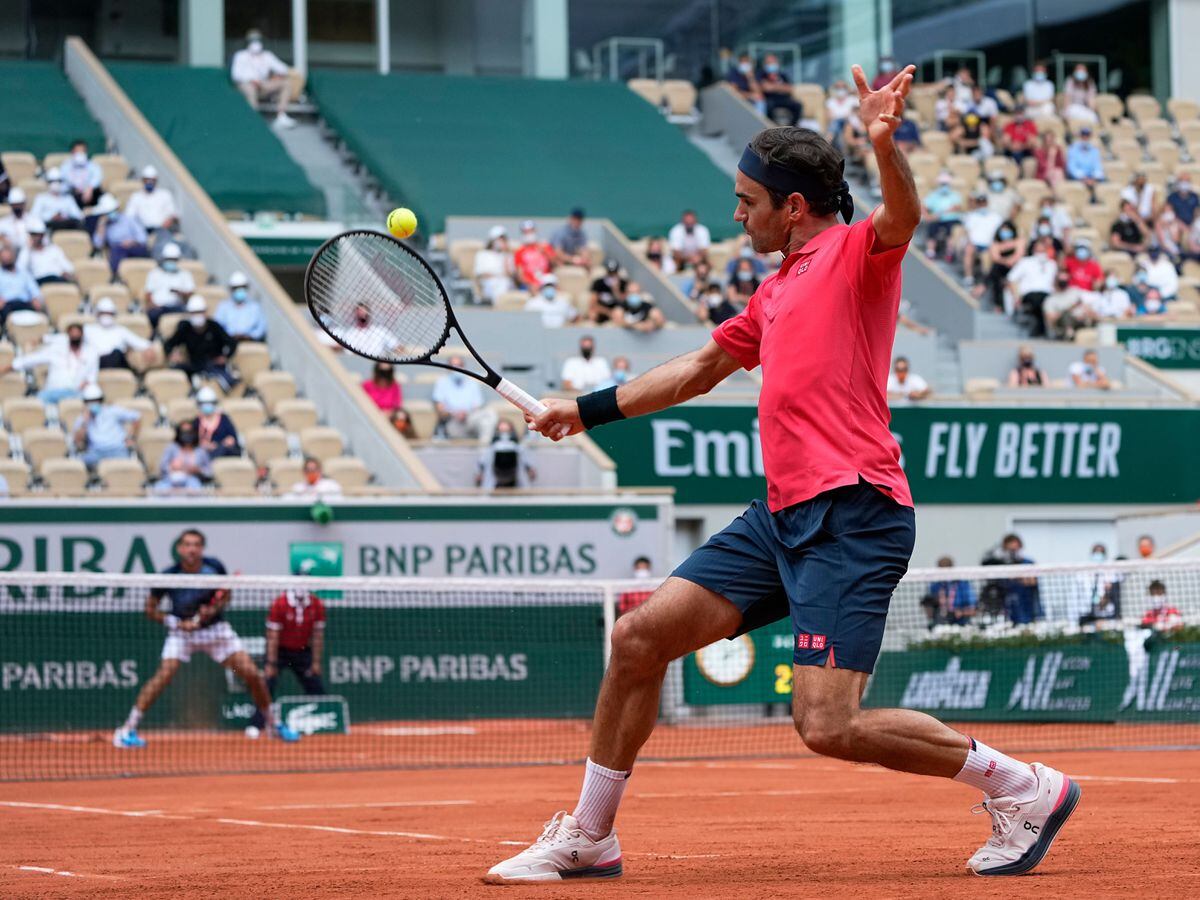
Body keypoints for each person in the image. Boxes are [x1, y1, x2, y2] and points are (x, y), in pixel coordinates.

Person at [490, 69, 1080, 883]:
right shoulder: (773, 292)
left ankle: (1025, 786)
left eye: (747, 200)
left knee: (827, 725)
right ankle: (590, 835)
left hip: (854, 513)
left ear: (791, 207)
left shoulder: (855, 255)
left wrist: (883, 142)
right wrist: (581, 410)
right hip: (780, 516)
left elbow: (902, 214)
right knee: (637, 640)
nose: (738, 213)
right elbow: (697, 368)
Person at [112, 529, 300, 748]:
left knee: (249, 673)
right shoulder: (168, 575)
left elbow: (225, 594)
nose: (192, 549)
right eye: (187, 544)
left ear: (202, 548)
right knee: (163, 676)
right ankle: (128, 729)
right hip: (182, 635)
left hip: (216, 633)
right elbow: (150, 609)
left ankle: (273, 724)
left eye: (196, 545)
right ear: (180, 549)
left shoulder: (214, 567)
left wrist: (213, 609)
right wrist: (176, 622)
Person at [246, 584, 328, 738]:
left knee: (316, 685)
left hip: (303, 652)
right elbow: (273, 636)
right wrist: (271, 663)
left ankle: (325, 723)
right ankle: (255, 725)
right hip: (280, 651)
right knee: (265, 685)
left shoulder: (317, 604)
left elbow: (317, 636)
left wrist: (316, 662)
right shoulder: (280, 603)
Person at [3, 322, 97, 403]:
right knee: (37, 402)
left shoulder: (90, 354)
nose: (75, 335)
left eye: (77, 333)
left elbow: (92, 377)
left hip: (76, 393)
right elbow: (33, 359)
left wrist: (82, 386)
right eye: (73, 333)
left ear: (82, 335)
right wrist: (10, 366)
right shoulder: (56, 350)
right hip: (52, 391)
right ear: (68, 335)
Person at [164, 295, 238, 392]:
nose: (197, 316)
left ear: (205, 312)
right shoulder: (185, 328)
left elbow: (232, 343)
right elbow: (169, 343)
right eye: (194, 313)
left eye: (199, 312)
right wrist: (172, 354)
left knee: (225, 377)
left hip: (213, 364)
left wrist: (225, 357)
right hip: (194, 365)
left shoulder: (214, 326)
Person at [230, 29, 296, 129]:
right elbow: (236, 75)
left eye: (258, 40)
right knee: (250, 89)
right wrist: (252, 79)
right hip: (246, 84)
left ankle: (281, 116)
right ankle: (253, 120)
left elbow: (282, 68)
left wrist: (281, 74)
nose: (255, 43)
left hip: (262, 85)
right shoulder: (241, 55)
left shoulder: (267, 55)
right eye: (253, 40)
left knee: (286, 83)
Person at [73, 383, 140, 470]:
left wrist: (132, 437)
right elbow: (78, 441)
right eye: (89, 402)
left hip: (118, 450)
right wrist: (85, 422)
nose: (93, 404)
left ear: (101, 400)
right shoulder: (82, 418)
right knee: (78, 466)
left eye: (96, 400)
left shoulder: (113, 411)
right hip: (96, 453)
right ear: (85, 403)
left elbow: (136, 417)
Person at [982, 533, 1043, 625]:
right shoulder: (1001, 564)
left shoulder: (1028, 562)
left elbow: (1032, 581)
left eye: (1015, 549)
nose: (1013, 552)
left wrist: (1017, 576)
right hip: (1007, 605)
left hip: (1026, 603)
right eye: (1010, 549)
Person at [432, 357, 496, 440]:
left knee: (489, 415)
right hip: (453, 422)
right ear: (448, 368)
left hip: (469, 419)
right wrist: (454, 413)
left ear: (464, 366)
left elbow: (477, 406)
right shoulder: (441, 382)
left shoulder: (472, 382)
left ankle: (483, 447)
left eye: (459, 365)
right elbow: (440, 408)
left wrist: (465, 413)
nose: (457, 368)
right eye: (453, 365)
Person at [1005, 237, 1058, 333]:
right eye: (1040, 246)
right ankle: (1041, 329)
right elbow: (1010, 279)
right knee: (1039, 300)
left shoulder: (1052, 264)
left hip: (1047, 294)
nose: (1042, 249)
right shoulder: (1025, 262)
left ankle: (1044, 329)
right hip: (1029, 294)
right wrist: (1016, 297)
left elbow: (1055, 283)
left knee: (1048, 301)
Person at [85, 296, 152, 369]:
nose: (106, 316)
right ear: (97, 314)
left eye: (109, 313)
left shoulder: (121, 331)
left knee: (117, 353)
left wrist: (149, 348)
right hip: (94, 361)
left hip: (115, 361)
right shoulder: (88, 329)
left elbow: (139, 342)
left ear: (113, 314)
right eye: (103, 313)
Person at [92, 192, 149, 275]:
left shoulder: (129, 219)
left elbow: (143, 237)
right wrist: (101, 225)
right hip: (118, 250)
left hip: (135, 247)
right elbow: (97, 244)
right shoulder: (105, 225)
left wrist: (132, 242)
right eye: (108, 212)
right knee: (116, 250)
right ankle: (116, 275)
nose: (111, 214)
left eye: (112, 210)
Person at [142, 242, 194, 331]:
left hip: (177, 306)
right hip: (159, 307)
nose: (171, 262)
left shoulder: (185, 274)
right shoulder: (154, 273)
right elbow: (148, 294)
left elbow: (190, 294)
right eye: (169, 259)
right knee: (153, 315)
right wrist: (153, 305)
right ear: (164, 259)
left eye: (174, 259)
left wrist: (180, 293)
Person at [123, 165, 178, 248]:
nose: (150, 182)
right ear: (143, 180)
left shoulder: (165, 195)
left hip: (160, 230)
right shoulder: (136, 197)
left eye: (152, 180)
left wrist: (159, 231)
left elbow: (172, 216)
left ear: (156, 180)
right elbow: (129, 217)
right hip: (141, 230)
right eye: (147, 180)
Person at [476, 419, 536, 490]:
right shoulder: (492, 448)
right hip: (494, 478)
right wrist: (479, 473)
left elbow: (526, 460)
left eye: (506, 426)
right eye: (502, 426)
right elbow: (483, 461)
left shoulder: (518, 447)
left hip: (515, 477)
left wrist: (530, 469)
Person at [155, 420, 213, 493]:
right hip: (171, 479)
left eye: (189, 432)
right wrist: (172, 467)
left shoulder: (200, 451)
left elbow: (209, 472)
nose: (187, 435)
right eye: (184, 432)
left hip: (192, 480)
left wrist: (198, 470)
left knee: (194, 488)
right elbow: (162, 466)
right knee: (159, 488)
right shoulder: (172, 448)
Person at [959, 192, 1000, 286]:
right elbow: (967, 232)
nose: (982, 205)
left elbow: (998, 234)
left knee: (988, 256)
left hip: (989, 244)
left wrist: (993, 244)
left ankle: (986, 280)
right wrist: (969, 243)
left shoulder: (996, 217)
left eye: (983, 202)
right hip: (974, 244)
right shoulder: (971, 216)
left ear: (987, 203)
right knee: (968, 250)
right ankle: (968, 277)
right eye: (980, 203)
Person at [922, 557, 977, 627]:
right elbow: (929, 613)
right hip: (940, 625)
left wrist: (960, 612)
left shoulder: (963, 585)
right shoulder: (934, 586)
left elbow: (974, 611)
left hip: (962, 624)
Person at [213, 271, 267, 342]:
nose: (239, 290)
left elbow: (261, 328)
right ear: (231, 289)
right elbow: (217, 326)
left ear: (247, 288)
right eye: (236, 288)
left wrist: (249, 336)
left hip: (250, 342)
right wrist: (230, 335)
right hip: (228, 341)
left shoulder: (255, 307)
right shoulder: (223, 307)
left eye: (242, 287)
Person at [0, 244, 44, 330]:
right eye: (4, 257)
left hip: (24, 303)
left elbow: (34, 290)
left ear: (13, 256)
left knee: (36, 313)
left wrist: (35, 299)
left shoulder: (24, 273)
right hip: (7, 305)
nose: (6, 259)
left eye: (8, 256)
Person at [17, 219, 74, 284]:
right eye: (32, 234)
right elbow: (20, 269)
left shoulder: (54, 249)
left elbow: (69, 267)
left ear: (42, 235)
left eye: (36, 234)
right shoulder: (27, 252)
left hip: (56, 278)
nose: (34, 237)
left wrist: (63, 272)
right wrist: (27, 248)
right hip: (38, 281)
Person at [921, 172, 963, 260]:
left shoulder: (955, 195)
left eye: (946, 184)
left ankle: (949, 251)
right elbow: (924, 206)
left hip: (951, 218)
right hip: (937, 219)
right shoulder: (933, 195)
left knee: (951, 230)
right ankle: (930, 251)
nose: (944, 185)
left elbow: (957, 207)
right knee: (932, 228)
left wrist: (941, 214)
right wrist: (927, 216)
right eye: (943, 184)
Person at [984, 220, 1023, 312]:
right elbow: (995, 258)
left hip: (1016, 267)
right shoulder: (995, 244)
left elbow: (1019, 254)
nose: (1005, 233)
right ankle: (998, 304)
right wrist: (1006, 260)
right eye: (1003, 230)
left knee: (995, 271)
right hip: (1002, 268)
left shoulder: (1019, 241)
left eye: (1007, 230)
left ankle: (984, 285)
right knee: (996, 270)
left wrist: (1011, 260)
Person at [193, 386, 240, 458]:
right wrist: (205, 445)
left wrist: (222, 444)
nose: (207, 406)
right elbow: (193, 442)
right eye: (204, 403)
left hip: (224, 452)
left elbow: (232, 438)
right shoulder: (196, 421)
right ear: (199, 405)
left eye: (210, 403)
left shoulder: (224, 419)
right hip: (205, 453)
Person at [473, 226, 516, 303]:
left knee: (504, 283)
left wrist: (506, 255)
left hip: (506, 285)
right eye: (499, 239)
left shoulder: (508, 255)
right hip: (489, 285)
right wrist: (498, 275)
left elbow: (510, 274)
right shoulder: (482, 254)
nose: (501, 242)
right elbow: (481, 274)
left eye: (503, 239)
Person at [757, 54, 802, 125]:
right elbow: (766, 88)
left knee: (797, 105)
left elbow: (790, 88)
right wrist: (781, 87)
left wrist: (773, 87)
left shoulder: (782, 75)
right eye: (769, 63)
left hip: (784, 99)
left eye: (773, 63)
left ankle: (792, 127)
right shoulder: (761, 74)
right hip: (770, 99)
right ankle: (770, 126)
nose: (771, 65)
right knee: (768, 106)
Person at [513, 220, 555, 290]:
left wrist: (546, 253)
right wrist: (531, 284)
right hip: (529, 285)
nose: (529, 234)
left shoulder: (545, 247)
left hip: (546, 283)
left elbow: (555, 263)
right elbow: (520, 276)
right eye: (526, 232)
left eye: (531, 231)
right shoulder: (519, 252)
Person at [63, 140, 103, 207]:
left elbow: (97, 178)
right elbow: (66, 180)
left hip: (90, 193)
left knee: (106, 199)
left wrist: (89, 188)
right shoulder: (66, 166)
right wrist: (77, 188)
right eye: (77, 151)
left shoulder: (92, 165)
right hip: (73, 194)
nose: (80, 153)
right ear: (72, 152)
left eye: (82, 151)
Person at [588, 258, 627, 324]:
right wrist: (608, 312)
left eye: (614, 273)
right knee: (592, 313)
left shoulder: (623, 283)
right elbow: (593, 302)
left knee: (619, 313)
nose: (612, 275)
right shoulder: (599, 282)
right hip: (602, 310)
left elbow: (624, 302)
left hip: (616, 310)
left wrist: (616, 290)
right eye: (610, 273)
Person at [1065, 128, 1105, 193]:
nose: (1085, 137)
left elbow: (1098, 167)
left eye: (1087, 135)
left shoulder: (1094, 150)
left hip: (1092, 178)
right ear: (1080, 136)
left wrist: (1094, 179)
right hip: (1078, 178)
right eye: (1083, 134)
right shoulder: (1072, 149)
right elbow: (1072, 168)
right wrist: (1084, 178)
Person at [824, 80, 859, 152]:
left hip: (851, 124)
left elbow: (858, 111)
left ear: (847, 88)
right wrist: (843, 116)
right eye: (838, 88)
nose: (840, 90)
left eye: (843, 87)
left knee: (837, 123)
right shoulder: (830, 101)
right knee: (836, 122)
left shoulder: (852, 99)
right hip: (837, 124)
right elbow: (829, 116)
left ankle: (825, 145)